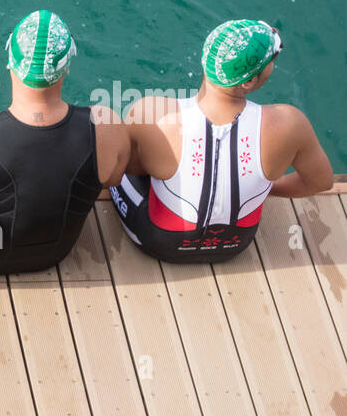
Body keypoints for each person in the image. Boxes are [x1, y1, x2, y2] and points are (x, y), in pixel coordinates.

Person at [110, 19, 332, 261]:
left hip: (159, 241)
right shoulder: (291, 123)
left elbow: (127, 168)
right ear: (248, 81)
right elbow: (320, 182)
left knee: (117, 163)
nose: (274, 63)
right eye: (273, 58)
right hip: (237, 244)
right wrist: (266, 186)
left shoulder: (153, 113)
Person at [0, 10, 129, 274]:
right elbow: (113, 181)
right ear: (67, 67)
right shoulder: (106, 124)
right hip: (57, 252)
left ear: (10, 61)